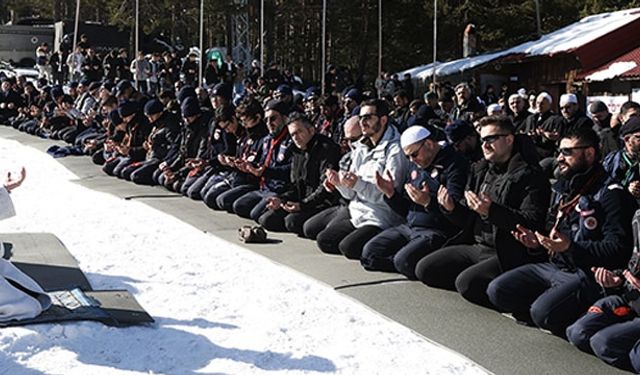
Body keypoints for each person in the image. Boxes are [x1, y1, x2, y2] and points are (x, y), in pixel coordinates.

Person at [487, 127, 637, 336]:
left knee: (542, 314)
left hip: (585, 272)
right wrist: (537, 244)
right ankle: (554, 303)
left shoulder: (611, 194)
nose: (559, 158)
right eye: (559, 152)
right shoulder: (562, 188)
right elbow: (552, 232)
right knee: (498, 290)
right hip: (554, 265)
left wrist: (571, 247)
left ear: (589, 153)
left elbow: (618, 249)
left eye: (567, 152)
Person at [415, 115, 550, 308]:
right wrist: (451, 209)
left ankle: (512, 290)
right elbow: (467, 218)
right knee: (425, 269)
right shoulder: (481, 170)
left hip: (507, 250)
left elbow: (532, 222)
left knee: (467, 284)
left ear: (509, 139)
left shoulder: (530, 175)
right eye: (482, 139)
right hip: (479, 244)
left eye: (491, 139)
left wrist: (491, 211)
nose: (485, 144)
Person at [361, 126, 469, 279]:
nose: (412, 160)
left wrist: (428, 202)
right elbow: (407, 209)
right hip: (411, 226)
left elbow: (457, 214)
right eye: (408, 157)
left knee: (403, 261)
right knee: (369, 253)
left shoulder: (455, 165)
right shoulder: (417, 164)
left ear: (429, 144)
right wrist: (391, 194)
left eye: (414, 154)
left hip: (436, 230)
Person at [315, 99, 410, 259]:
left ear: (383, 120)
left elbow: (389, 196)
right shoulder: (361, 147)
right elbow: (350, 194)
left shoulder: (395, 149)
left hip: (381, 217)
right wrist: (339, 183)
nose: (362, 122)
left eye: (368, 117)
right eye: (360, 118)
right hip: (358, 213)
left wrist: (358, 184)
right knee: (324, 240)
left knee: (348, 248)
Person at [258, 113, 341, 236]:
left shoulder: (327, 149)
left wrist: (302, 206)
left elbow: (324, 188)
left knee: (292, 222)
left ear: (311, 130)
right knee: (266, 219)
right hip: (302, 200)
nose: (295, 137)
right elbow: (295, 185)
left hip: (322, 202)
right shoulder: (296, 150)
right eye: (292, 134)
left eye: (299, 132)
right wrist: (282, 199)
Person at [565, 250, 640, 372]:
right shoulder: (636, 231)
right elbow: (629, 267)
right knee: (578, 333)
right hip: (629, 301)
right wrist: (617, 279)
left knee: (607, 344)